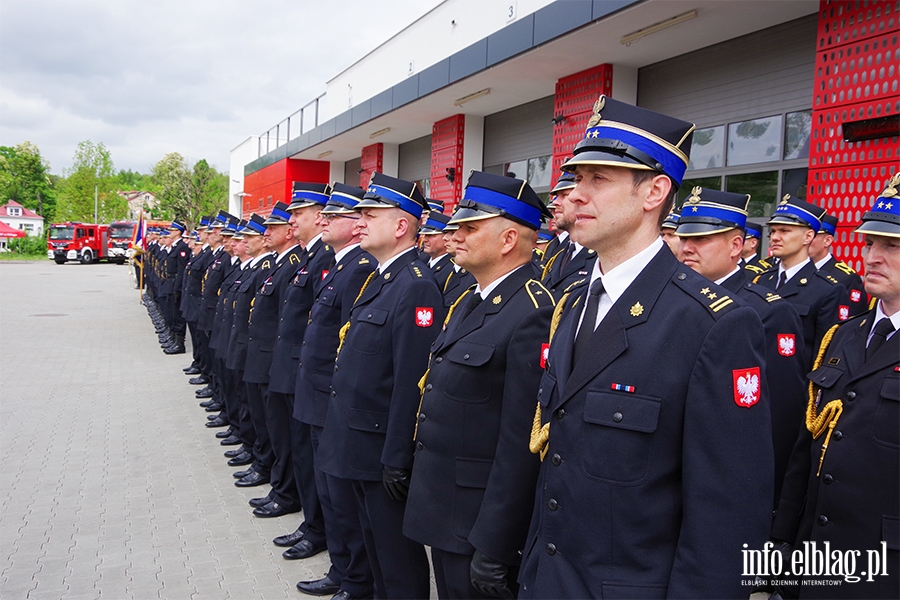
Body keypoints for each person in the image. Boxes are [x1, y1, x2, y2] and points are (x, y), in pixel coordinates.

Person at [521, 95, 773, 599]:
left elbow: (727, 513)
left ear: (654, 191)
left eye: (599, 179)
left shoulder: (712, 324)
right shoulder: (574, 302)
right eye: (576, 178)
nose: (575, 195)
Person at [404, 171, 554, 599]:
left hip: (478, 520)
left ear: (508, 240)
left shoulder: (532, 313)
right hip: (446, 505)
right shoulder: (471, 299)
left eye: (470, 227)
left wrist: (496, 542)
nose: (456, 234)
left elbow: (520, 446)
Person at [770, 173, 900, 598]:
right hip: (815, 557)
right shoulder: (844, 335)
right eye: (869, 244)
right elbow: (807, 450)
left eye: (892, 246)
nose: (873, 257)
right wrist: (782, 544)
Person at [316, 172, 444, 600]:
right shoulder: (381, 278)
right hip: (357, 446)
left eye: (371, 214)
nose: (360, 222)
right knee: (373, 553)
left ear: (402, 225)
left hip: (379, 454)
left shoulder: (416, 285)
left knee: (396, 566)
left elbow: (411, 381)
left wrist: (396, 458)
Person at [675, 186, 807, 502]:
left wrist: (764, 497)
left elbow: (781, 418)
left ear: (736, 245)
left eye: (701, 239)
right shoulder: (674, 300)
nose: (688, 248)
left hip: (727, 478)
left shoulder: (768, 311)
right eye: (684, 239)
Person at [294, 185, 376, 599]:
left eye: (335, 214)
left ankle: (352, 577)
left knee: (342, 498)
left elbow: (348, 346)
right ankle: (342, 569)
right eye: (323, 213)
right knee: (328, 491)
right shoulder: (338, 265)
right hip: (318, 396)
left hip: (332, 401)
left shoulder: (359, 267)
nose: (323, 219)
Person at [754, 195, 849, 369]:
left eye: (784, 231)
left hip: (796, 387)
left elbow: (824, 353)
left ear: (808, 237)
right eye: (773, 231)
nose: (774, 237)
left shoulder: (828, 289)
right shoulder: (763, 279)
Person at [540, 177, 597, 300]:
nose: (555, 203)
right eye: (556, 196)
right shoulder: (559, 253)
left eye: (565, 195)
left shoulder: (600, 253)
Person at [810, 212, 867, 317]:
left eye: (811, 235)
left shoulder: (847, 278)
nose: (805, 240)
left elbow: (854, 320)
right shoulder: (796, 271)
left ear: (827, 241)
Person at [419, 210, 453, 291]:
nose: (425, 240)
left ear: (446, 237)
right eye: (425, 235)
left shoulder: (451, 268)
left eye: (431, 236)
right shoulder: (422, 260)